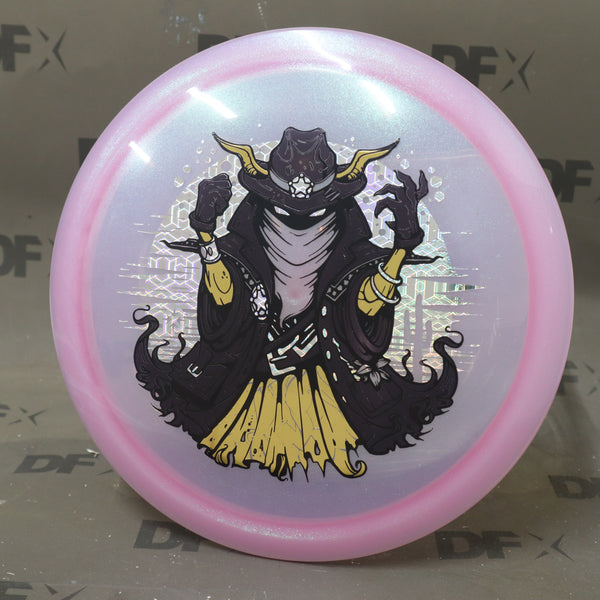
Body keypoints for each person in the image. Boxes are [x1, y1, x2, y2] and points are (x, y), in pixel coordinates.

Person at [134, 127, 462, 480]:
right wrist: (205, 233)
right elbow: (224, 298)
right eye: (283, 209)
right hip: (247, 382)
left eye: (315, 212)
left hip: (326, 388)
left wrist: (401, 248)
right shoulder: (240, 252)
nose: (298, 220)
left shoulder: (353, 258)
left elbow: (365, 307)